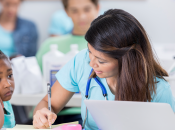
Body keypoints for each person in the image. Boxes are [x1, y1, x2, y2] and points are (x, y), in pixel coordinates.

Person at [33, 9, 175, 130]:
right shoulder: (81, 61)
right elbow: (47, 103)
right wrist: (42, 114)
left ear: (127, 60)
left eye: (101, 61)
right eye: (89, 52)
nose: (91, 64)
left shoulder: (158, 90)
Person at [36, 0, 100, 71]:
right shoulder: (49, 46)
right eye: (74, 11)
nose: (82, 16)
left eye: (87, 10)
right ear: (66, 12)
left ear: (97, 8)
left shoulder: (109, 44)